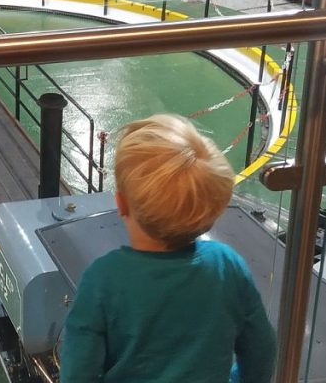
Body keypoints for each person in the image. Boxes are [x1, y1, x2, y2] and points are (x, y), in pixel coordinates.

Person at [59, 114, 276, 383]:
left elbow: (77, 374)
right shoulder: (227, 266)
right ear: (211, 212)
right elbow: (261, 351)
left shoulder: (103, 279)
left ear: (121, 204)